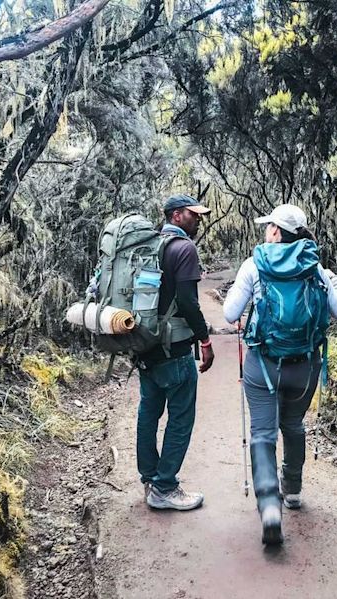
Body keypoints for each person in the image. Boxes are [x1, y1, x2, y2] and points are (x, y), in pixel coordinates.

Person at [223, 204, 337, 543]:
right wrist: (332, 282)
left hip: (262, 365)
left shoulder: (254, 265)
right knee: (293, 425)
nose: (266, 232)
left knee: (263, 433)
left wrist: (245, 290)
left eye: (269, 227)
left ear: (276, 231)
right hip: (304, 368)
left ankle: (269, 504)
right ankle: (292, 489)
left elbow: (229, 312)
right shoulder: (315, 266)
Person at [137, 194, 215, 511]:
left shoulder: (147, 246)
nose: (199, 220)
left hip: (143, 343)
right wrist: (205, 340)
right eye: (194, 215)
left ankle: (149, 476)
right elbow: (187, 301)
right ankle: (165, 487)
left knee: (149, 411)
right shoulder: (184, 249)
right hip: (175, 348)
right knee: (180, 417)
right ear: (177, 215)